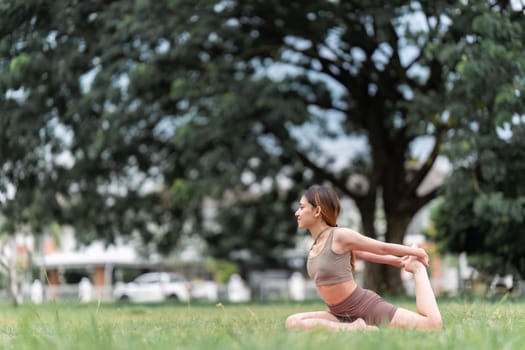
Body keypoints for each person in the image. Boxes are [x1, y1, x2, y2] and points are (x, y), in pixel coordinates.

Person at [285, 185, 442, 331]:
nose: (296, 213)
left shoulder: (340, 235)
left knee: (431, 324)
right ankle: (353, 328)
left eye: (301, 207)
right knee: (292, 321)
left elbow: (380, 247)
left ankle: (418, 269)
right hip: (340, 314)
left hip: (364, 307)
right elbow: (360, 254)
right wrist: (398, 261)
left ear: (317, 211)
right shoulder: (316, 244)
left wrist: (415, 253)